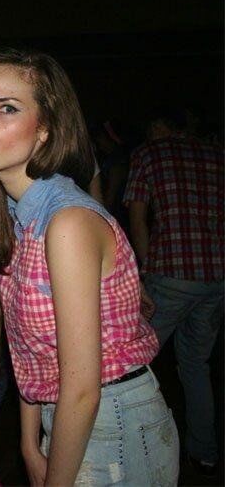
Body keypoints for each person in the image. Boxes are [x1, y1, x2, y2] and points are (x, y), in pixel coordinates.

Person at [0, 48, 179, 485]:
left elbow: (83, 388)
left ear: (45, 129)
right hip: (69, 416)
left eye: (6, 108)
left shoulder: (66, 222)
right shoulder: (16, 215)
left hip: (112, 421)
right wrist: (29, 444)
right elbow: (30, 350)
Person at [123, 110, 223, 475]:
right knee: (196, 364)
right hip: (217, 276)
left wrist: (144, 270)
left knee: (132, 364)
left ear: (157, 125)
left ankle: (132, 453)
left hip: (171, 273)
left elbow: (137, 214)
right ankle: (204, 453)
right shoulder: (217, 155)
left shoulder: (150, 153)